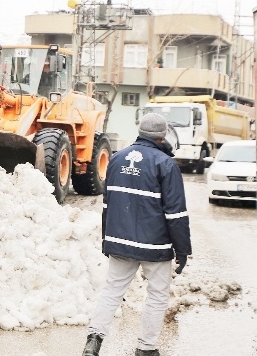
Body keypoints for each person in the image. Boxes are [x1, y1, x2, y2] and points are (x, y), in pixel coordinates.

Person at [82, 113, 191, 356]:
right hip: (155, 246)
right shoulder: (166, 164)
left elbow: (107, 204)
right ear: (162, 136)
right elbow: (176, 214)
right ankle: (146, 348)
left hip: (119, 240)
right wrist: (183, 250)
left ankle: (93, 342)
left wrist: (106, 239)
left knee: (112, 291)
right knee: (157, 295)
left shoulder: (117, 159)